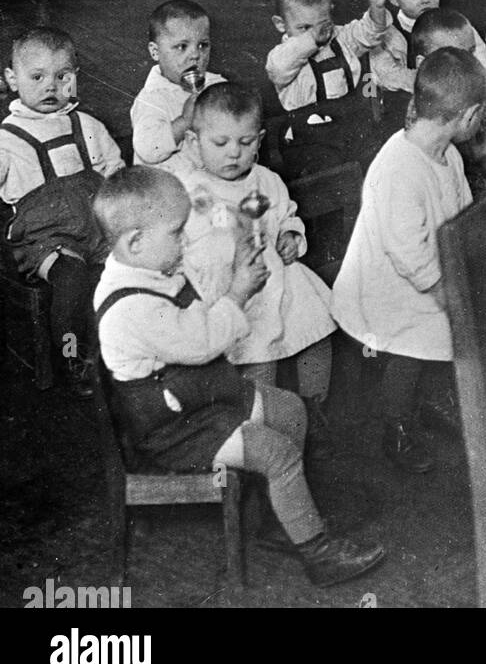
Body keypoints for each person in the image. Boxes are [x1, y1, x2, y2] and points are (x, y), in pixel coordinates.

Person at [92, 167, 384, 586]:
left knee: (290, 410)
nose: (185, 240)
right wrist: (239, 292)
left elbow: (198, 313)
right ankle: (318, 554)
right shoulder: (132, 306)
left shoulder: (146, 267)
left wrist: (232, 266)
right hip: (176, 429)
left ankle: (280, 517)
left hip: (201, 397)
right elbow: (204, 341)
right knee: (277, 454)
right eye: (176, 233)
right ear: (135, 242)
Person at [331, 49, 486, 474]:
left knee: (447, 327)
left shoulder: (447, 155)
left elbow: (461, 216)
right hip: (389, 285)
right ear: (469, 115)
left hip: (423, 273)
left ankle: (431, 405)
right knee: (412, 348)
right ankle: (394, 427)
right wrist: (449, 296)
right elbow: (408, 254)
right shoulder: (400, 168)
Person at [167, 83, 337, 455]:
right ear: (194, 143)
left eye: (245, 143)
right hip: (234, 287)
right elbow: (185, 250)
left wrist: (291, 235)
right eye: (221, 143)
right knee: (259, 354)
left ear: (259, 139)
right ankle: (265, 423)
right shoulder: (192, 191)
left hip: (279, 274)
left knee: (316, 330)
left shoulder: (266, 180)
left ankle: (313, 406)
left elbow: (286, 214)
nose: (234, 153)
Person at [1, 27, 124, 395]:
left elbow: (115, 173)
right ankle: (73, 356)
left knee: (126, 273)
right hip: (45, 240)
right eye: (37, 77)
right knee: (73, 279)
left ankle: (125, 350)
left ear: (75, 77)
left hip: (97, 228)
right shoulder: (6, 138)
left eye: (62, 76)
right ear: (12, 79)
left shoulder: (87, 125)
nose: (50, 87)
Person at [265, 0, 389, 176]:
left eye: (321, 23)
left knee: (378, 157)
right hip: (307, 138)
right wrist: (311, 39)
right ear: (280, 24)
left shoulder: (341, 38)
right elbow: (279, 69)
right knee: (332, 172)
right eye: (304, 28)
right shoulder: (283, 56)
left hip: (348, 124)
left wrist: (377, 8)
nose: (316, 32)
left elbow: (370, 33)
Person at [410, 8, 486, 195]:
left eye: (471, 52)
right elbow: (445, 172)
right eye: (454, 56)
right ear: (422, 64)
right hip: (475, 204)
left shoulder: (479, 86)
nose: (469, 63)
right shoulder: (423, 113)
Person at [369, 0, 486, 94]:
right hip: (406, 101)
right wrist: (433, 82)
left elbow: (484, 66)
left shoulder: (455, 22)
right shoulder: (387, 33)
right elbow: (386, 75)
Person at [131, 0, 225, 170]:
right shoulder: (151, 98)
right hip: (170, 187)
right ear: (155, 51)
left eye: (203, 45)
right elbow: (148, 150)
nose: (196, 55)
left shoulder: (217, 86)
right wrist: (184, 121)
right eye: (182, 46)